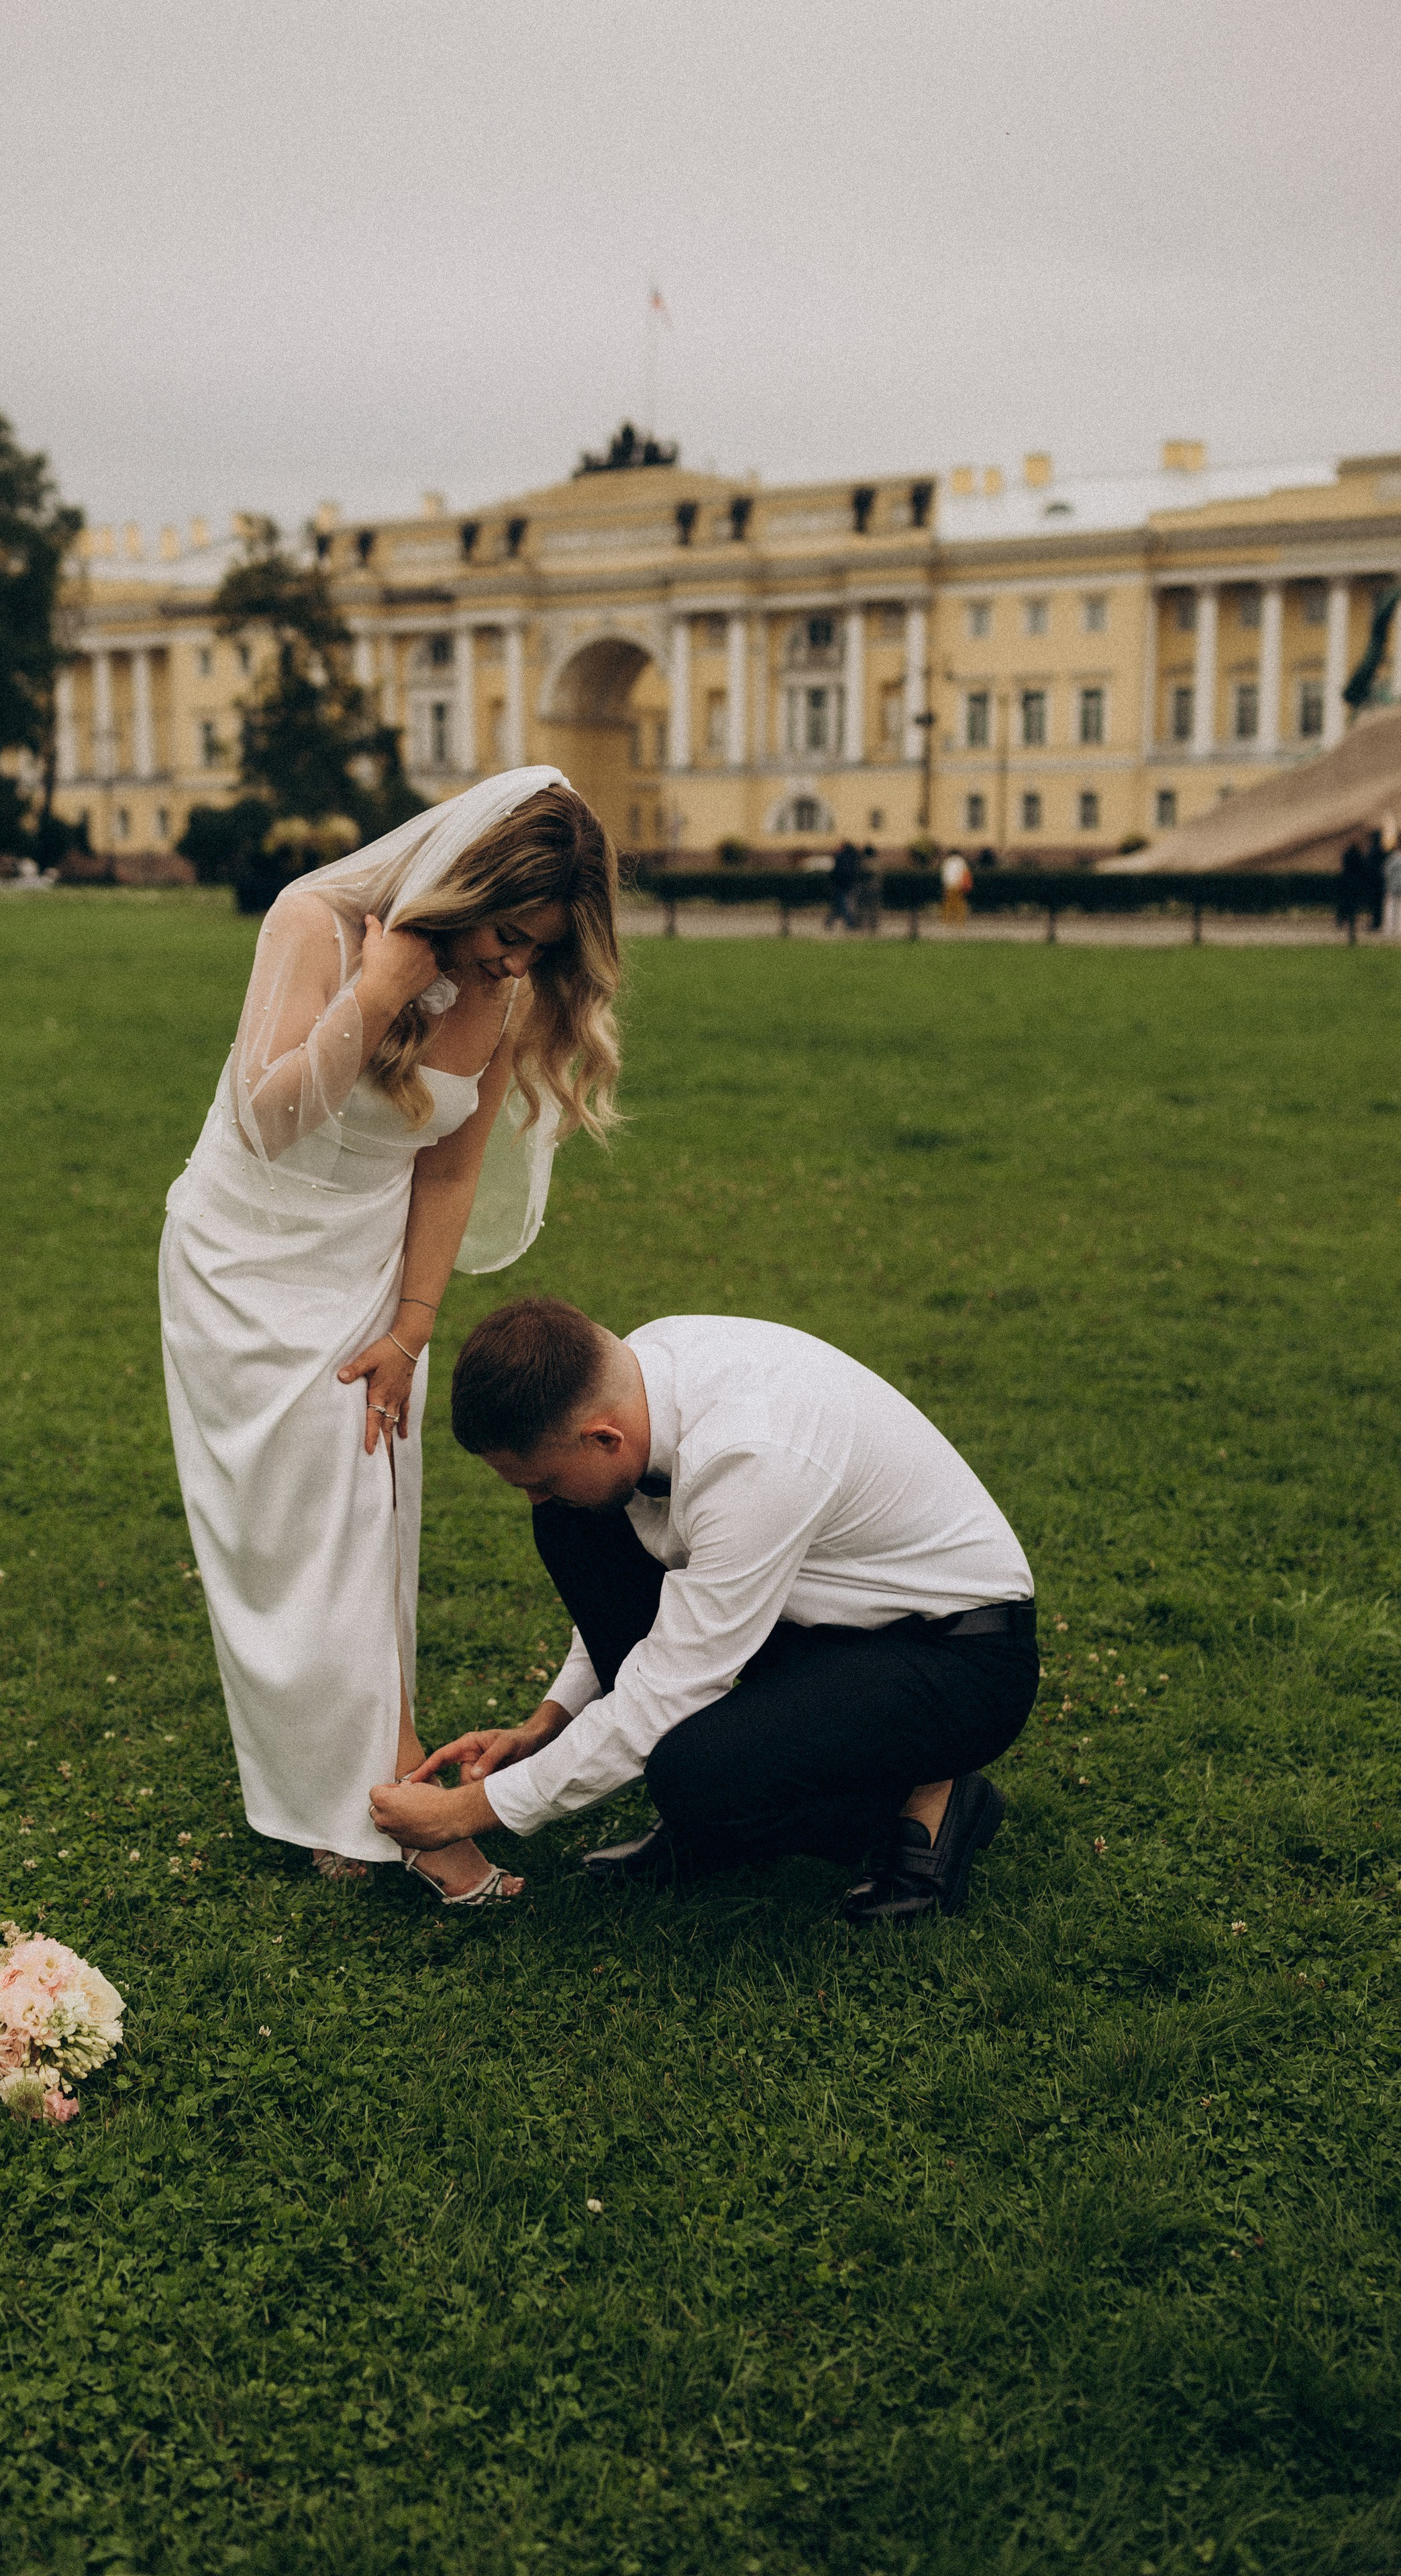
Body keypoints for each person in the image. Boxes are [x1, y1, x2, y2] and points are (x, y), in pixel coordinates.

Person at [160, 777, 621, 1906]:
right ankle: (378, 1813)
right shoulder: (310, 924)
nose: (516, 965)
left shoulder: (503, 1000)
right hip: (243, 1263)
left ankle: (369, 1809)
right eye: (509, 934)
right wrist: (375, 991)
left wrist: (414, 1328)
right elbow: (270, 1118)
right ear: (462, 885)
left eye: (540, 948)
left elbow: (451, 1164)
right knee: (284, 1544)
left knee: (367, 1527)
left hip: (365, 1280)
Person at [369, 1299, 1037, 1923]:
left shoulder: (750, 1455)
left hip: (953, 1658)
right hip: (819, 1620)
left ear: (604, 1437)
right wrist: (548, 1723)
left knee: (698, 1776)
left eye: (540, 1478)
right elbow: (655, 1610)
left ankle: (928, 1798)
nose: (532, 1497)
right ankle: (713, 1826)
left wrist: (465, 1812)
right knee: (575, 1523)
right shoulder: (635, 1381)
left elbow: (667, 1689)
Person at [940, 847, 972, 928]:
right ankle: (960, 922)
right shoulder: (961, 861)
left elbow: (945, 875)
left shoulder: (947, 862)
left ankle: (947, 921)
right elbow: (965, 873)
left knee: (948, 903)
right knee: (960, 904)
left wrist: (945, 885)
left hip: (949, 885)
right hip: (959, 885)